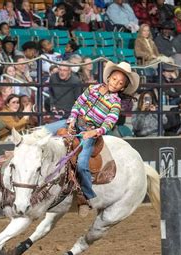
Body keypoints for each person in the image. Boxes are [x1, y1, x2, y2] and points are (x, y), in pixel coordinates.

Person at [45, 61, 139, 212]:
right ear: (109, 78)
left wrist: (94, 132)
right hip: (75, 122)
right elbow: (78, 104)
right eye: (114, 79)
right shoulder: (92, 88)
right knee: (44, 131)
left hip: (90, 132)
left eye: (120, 83)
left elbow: (109, 124)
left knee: (82, 164)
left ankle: (88, 196)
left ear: (122, 87)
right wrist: (71, 120)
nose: (116, 84)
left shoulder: (115, 103)